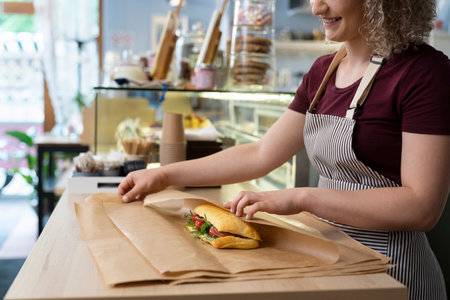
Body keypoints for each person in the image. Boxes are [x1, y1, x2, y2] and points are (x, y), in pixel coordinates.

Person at [118, 0, 450, 298]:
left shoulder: (424, 72)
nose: (317, 8)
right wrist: (163, 175)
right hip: (329, 256)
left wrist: (301, 197)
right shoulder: (323, 72)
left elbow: (421, 207)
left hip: (393, 274)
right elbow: (261, 153)